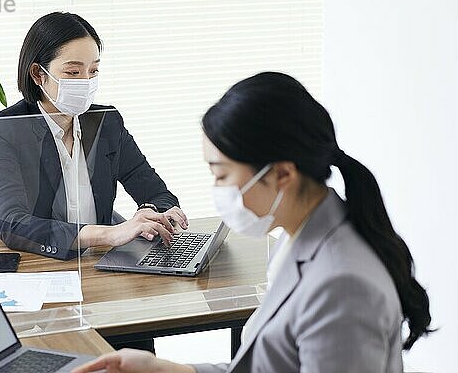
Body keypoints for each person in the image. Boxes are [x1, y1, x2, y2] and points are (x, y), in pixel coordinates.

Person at [72, 72, 432, 372]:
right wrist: (171, 369)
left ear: (282, 175)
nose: (217, 190)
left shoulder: (342, 284)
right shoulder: (298, 239)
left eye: (223, 175)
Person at [0, 12, 189, 262]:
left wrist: (150, 212)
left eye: (93, 71)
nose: (86, 82)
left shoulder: (107, 122)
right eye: (73, 72)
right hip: (31, 263)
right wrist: (109, 235)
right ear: (38, 74)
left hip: (95, 264)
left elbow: (158, 193)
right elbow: (11, 224)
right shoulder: (4, 129)